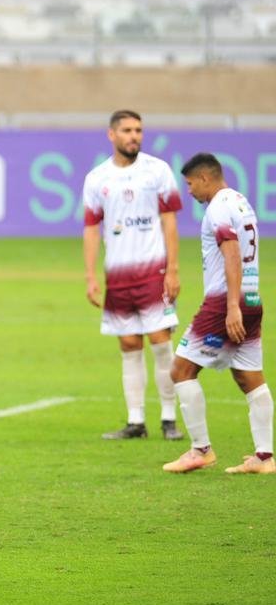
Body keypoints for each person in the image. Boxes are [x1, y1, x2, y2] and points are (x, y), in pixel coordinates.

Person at [163, 153, 271, 475]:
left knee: (181, 370)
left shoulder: (218, 208)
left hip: (227, 302)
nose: (190, 191)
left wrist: (232, 306)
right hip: (252, 297)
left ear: (205, 178)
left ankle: (200, 449)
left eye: (190, 184)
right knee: (248, 375)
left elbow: (232, 252)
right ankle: (264, 458)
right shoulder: (241, 202)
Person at [82, 110, 184, 441]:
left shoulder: (157, 171)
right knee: (128, 344)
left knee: (160, 341)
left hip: (153, 271)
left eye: (138, 130)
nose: (134, 136)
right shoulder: (97, 178)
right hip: (119, 276)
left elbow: (169, 220)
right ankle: (135, 421)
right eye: (127, 130)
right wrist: (90, 275)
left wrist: (173, 268)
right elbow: (91, 228)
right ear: (112, 135)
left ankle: (169, 419)